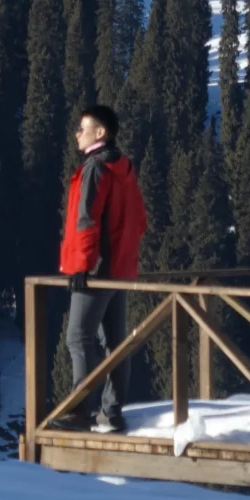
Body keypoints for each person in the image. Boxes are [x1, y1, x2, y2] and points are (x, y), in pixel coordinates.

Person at [48, 104, 147, 434]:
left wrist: (82, 266)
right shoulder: (124, 168)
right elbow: (139, 221)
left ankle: (79, 410)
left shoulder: (95, 168)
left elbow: (86, 221)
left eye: (82, 128)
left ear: (100, 132)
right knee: (115, 342)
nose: (77, 133)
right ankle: (112, 412)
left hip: (96, 270)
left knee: (78, 337)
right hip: (120, 269)